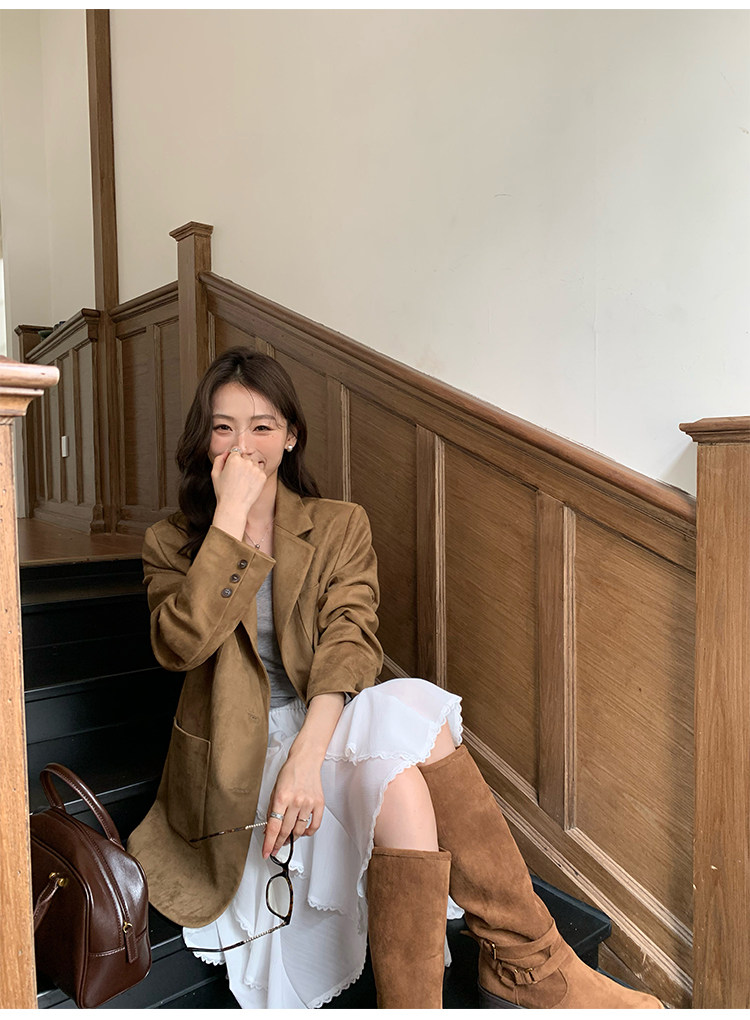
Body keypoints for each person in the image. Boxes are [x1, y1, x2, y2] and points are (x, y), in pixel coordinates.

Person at [128, 347, 662, 1010]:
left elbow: (351, 643)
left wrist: (307, 757)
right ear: (204, 438)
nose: (243, 446)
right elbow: (180, 646)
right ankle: (528, 965)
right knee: (403, 787)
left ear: (290, 436)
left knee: (408, 712)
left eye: (262, 426)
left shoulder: (338, 525)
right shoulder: (171, 542)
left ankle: (518, 965)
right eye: (223, 427)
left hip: (321, 727)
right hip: (236, 755)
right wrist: (229, 523)